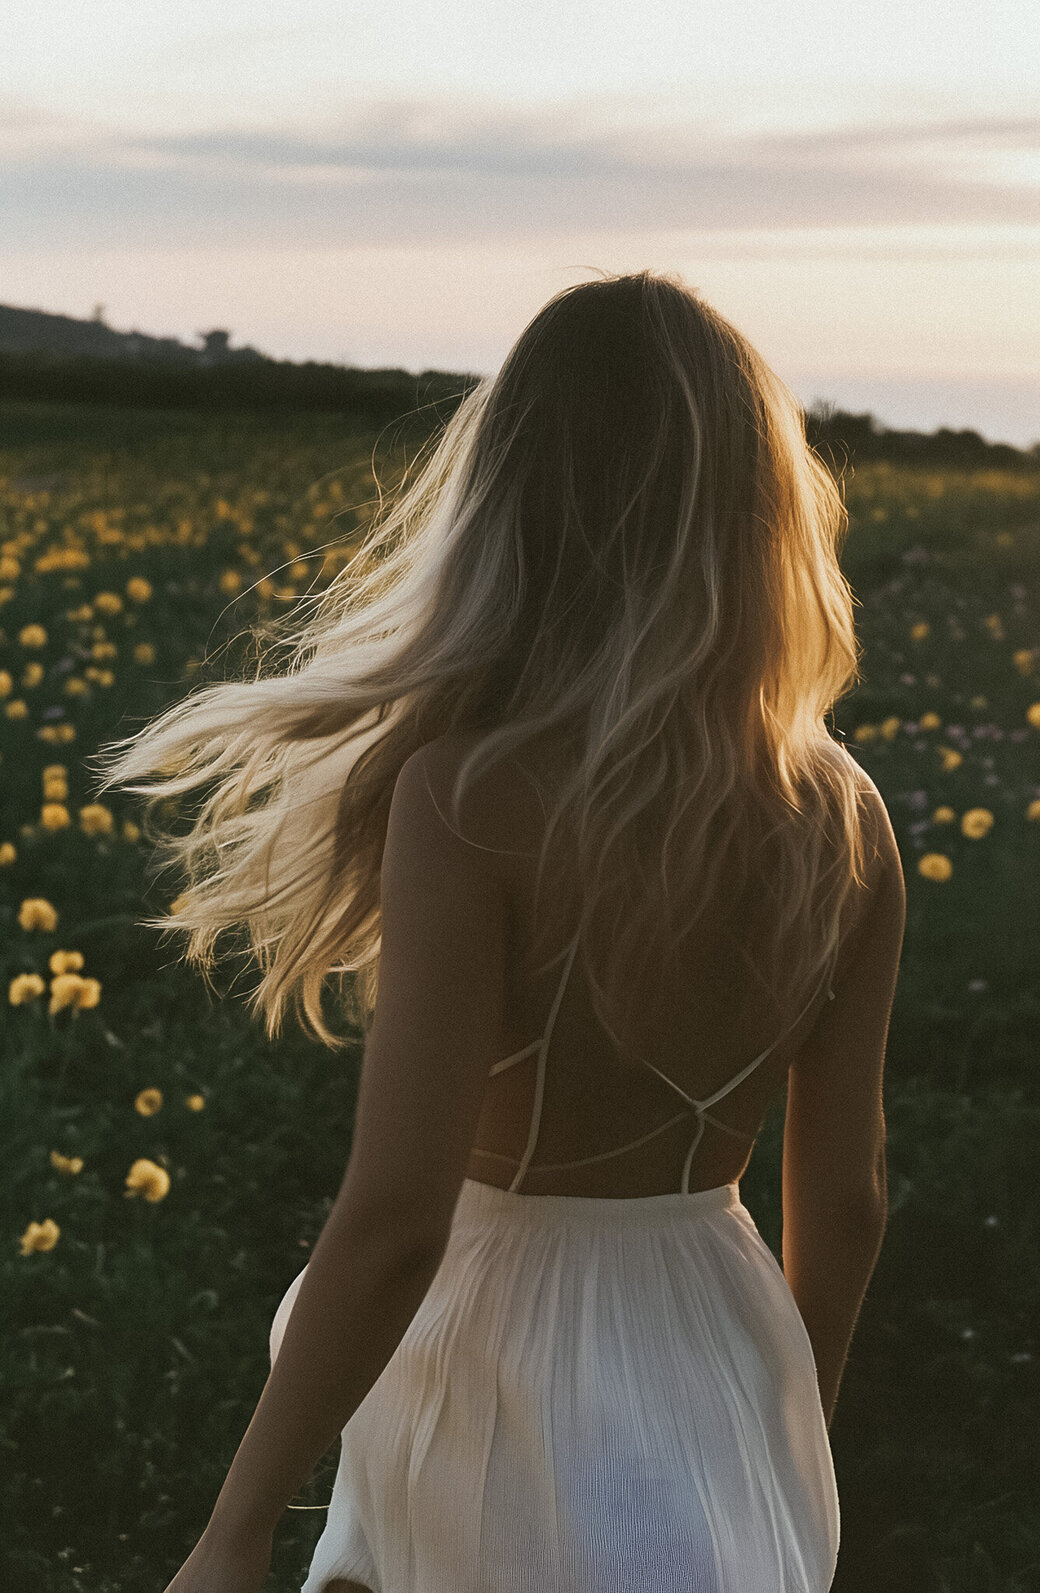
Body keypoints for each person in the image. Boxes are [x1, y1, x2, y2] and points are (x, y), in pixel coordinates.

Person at [96, 269, 905, 1593]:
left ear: (516, 496)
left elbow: (398, 1217)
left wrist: (236, 1527)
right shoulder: (844, 813)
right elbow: (851, 1197)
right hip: (722, 1327)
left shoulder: (475, 794)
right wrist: (783, 1418)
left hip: (498, 1350)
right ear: (758, 512)